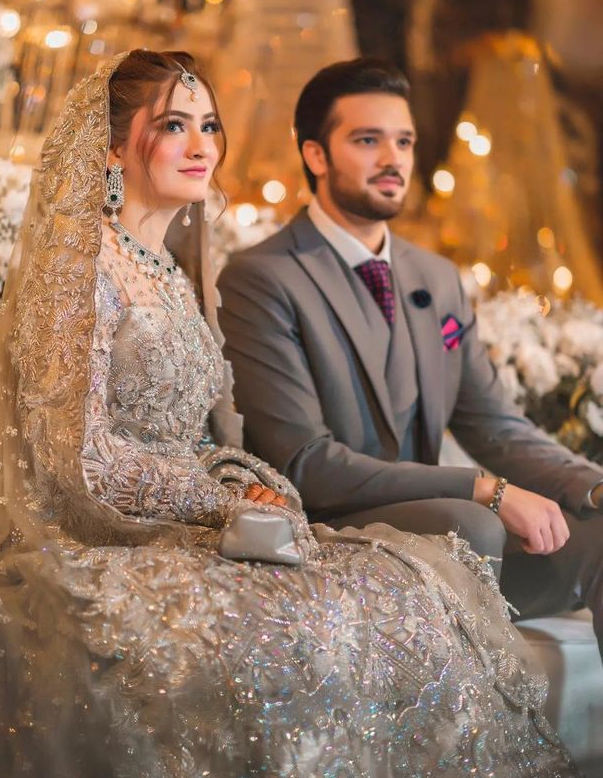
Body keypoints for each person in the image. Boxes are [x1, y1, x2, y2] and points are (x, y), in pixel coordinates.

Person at [0, 50, 578, 778]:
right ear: (113, 147)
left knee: (403, 596)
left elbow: (197, 436)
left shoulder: (174, 275)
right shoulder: (83, 273)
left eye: (209, 124)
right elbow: (78, 458)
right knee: (293, 628)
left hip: (197, 522)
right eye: (174, 125)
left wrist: (242, 485)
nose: (203, 144)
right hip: (106, 536)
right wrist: (218, 502)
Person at [217, 56, 603, 660]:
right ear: (316, 155)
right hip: (333, 530)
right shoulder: (262, 278)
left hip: (450, 527)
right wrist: (486, 491)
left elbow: (497, 427)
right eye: (367, 140)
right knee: (470, 523)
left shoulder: (436, 277)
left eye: (403, 141)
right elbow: (305, 461)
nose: (393, 159)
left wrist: (594, 486)